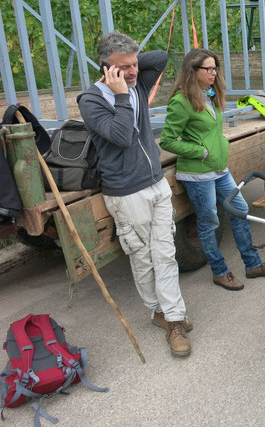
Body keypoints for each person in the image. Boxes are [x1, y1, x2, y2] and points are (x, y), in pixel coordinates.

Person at [77, 32, 191, 357]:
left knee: (165, 252)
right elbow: (121, 136)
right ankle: (159, 313)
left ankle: (175, 319)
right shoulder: (92, 99)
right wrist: (120, 93)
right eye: (123, 67)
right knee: (143, 259)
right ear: (105, 68)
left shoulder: (138, 81)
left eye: (134, 65)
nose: (133, 72)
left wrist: (131, 60)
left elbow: (161, 58)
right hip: (126, 194)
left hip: (156, 183)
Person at [159, 49, 265, 292]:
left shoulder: (208, 95)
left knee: (240, 210)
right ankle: (219, 271)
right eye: (209, 69)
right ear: (193, 71)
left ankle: (253, 264)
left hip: (218, 169)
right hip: (198, 173)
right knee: (209, 222)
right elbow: (167, 140)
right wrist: (200, 151)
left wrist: (219, 147)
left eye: (215, 68)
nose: (214, 73)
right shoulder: (181, 101)